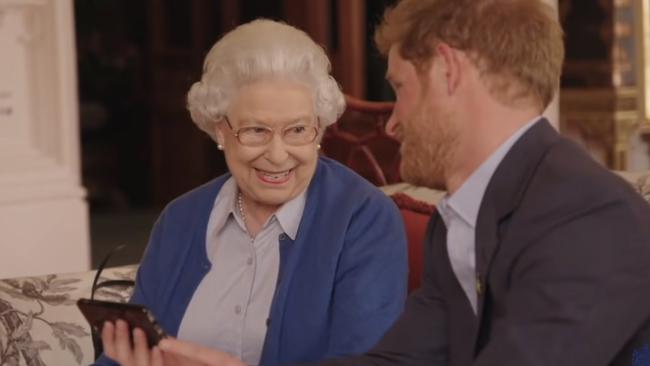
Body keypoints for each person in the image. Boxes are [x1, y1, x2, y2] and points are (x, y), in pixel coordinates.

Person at [153, 0, 650, 365]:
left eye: (400, 88)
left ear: (447, 72)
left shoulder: (590, 218)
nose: (391, 123)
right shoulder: (461, 223)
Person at [96, 19, 408, 366]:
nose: (277, 154)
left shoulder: (362, 219)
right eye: (256, 130)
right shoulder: (180, 220)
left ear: (320, 127)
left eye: (298, 130)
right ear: (220, 130)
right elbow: (126, 354)